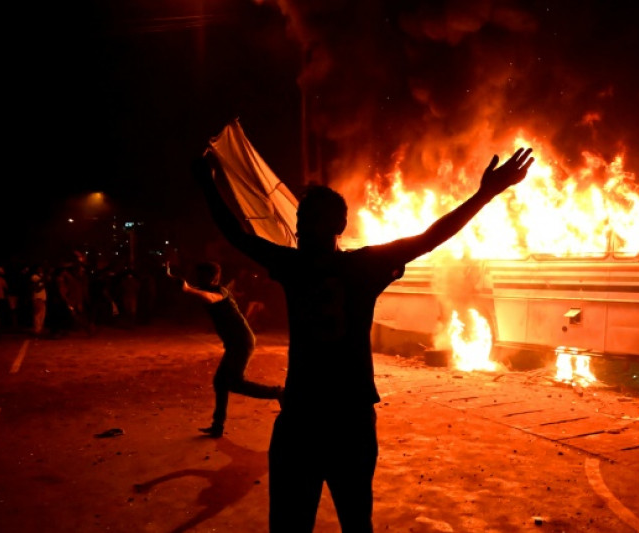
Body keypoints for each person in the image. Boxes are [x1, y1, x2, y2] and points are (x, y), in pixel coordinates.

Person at [193, 146, 533, 532]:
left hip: (307, 418)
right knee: (355, 523)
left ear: (335, 226)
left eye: (308, 220)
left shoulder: (295, 265)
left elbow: (237, 235)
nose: (300, 228)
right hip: (346, 420)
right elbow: (431, 237)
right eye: (301, 220)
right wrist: (484, 194)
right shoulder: (363, 266)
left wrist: (207, 182)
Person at [165, 261, 283, 437]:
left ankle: (279, 392)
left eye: (201, 275)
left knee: (234, 383)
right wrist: (170, 275)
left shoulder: (220, 291)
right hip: (235, 342)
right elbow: (187, 285)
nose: (197, 278)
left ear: (213, 277)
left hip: (241, 341)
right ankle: (217, 426)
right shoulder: (205, 289)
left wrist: (189, 290)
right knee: (221, 382)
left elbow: (210, 298)